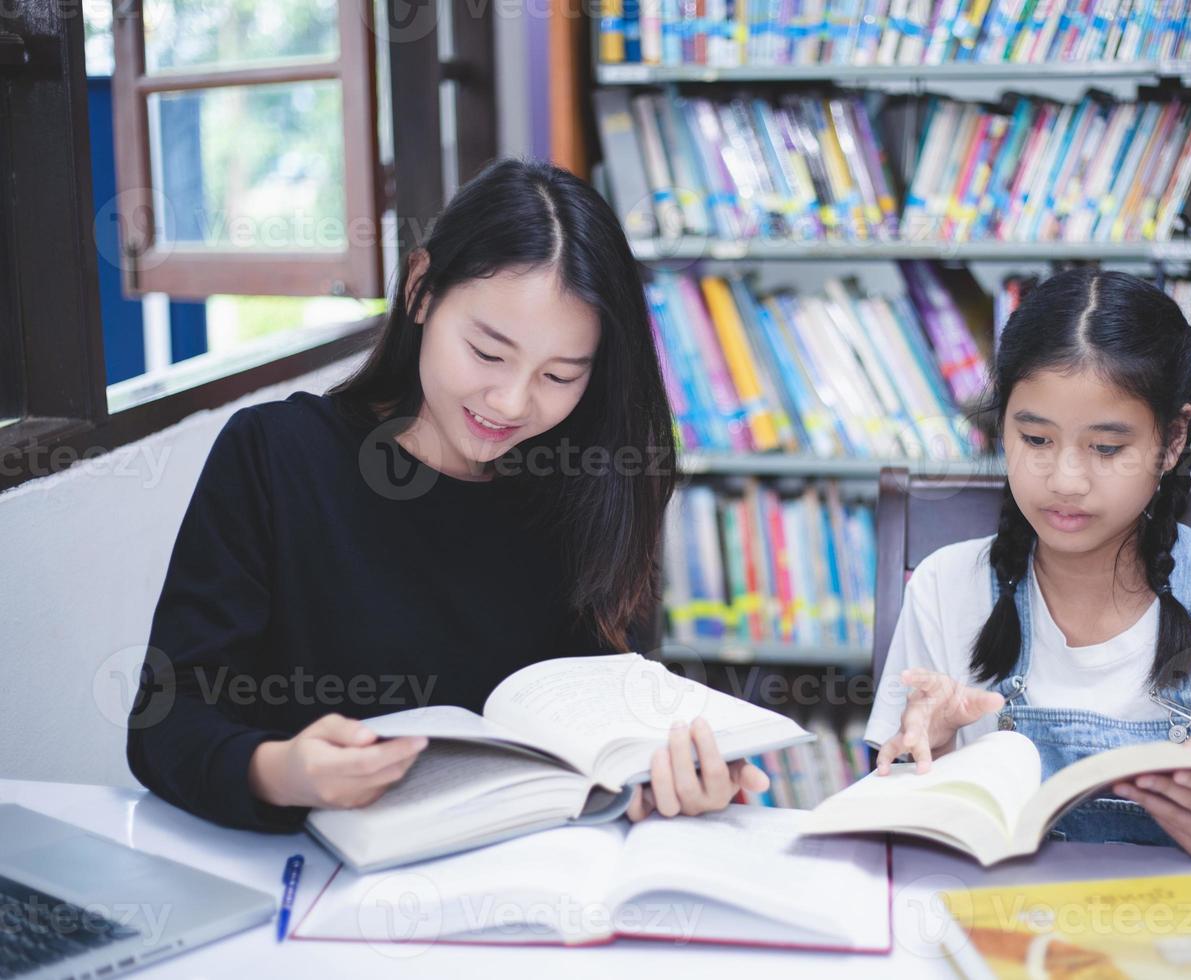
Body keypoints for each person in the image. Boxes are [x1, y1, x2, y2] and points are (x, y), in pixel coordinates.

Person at [126, 158, 769, 832]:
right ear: (421, 290)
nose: (512, 401)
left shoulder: (596, 484)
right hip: (319, 890)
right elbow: (167, 720)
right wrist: (280, 771)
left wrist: (656, 780)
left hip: (538, 883)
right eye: (488, 353)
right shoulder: (277, 456)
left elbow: (610, 729)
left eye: (558, 374)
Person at [866, 267, 1191, 862]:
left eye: (1107, 449)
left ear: (1171, 442)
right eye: (1036, 440)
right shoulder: (945, 587)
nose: (1065, 480)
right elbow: (902, 847)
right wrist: (922, 759)